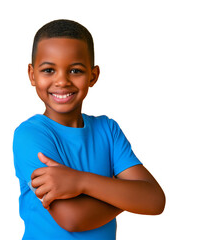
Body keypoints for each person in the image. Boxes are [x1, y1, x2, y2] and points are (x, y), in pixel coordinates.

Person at [12, 19, 165, 239]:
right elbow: (73, 218)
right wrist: (126, 196)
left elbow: (155, 200)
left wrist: (79, 182)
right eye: (48, 70)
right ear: (32, 74)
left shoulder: (107, 129)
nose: (62, 81)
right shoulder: (30, 135)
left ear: (93, 75)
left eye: (75, 70)